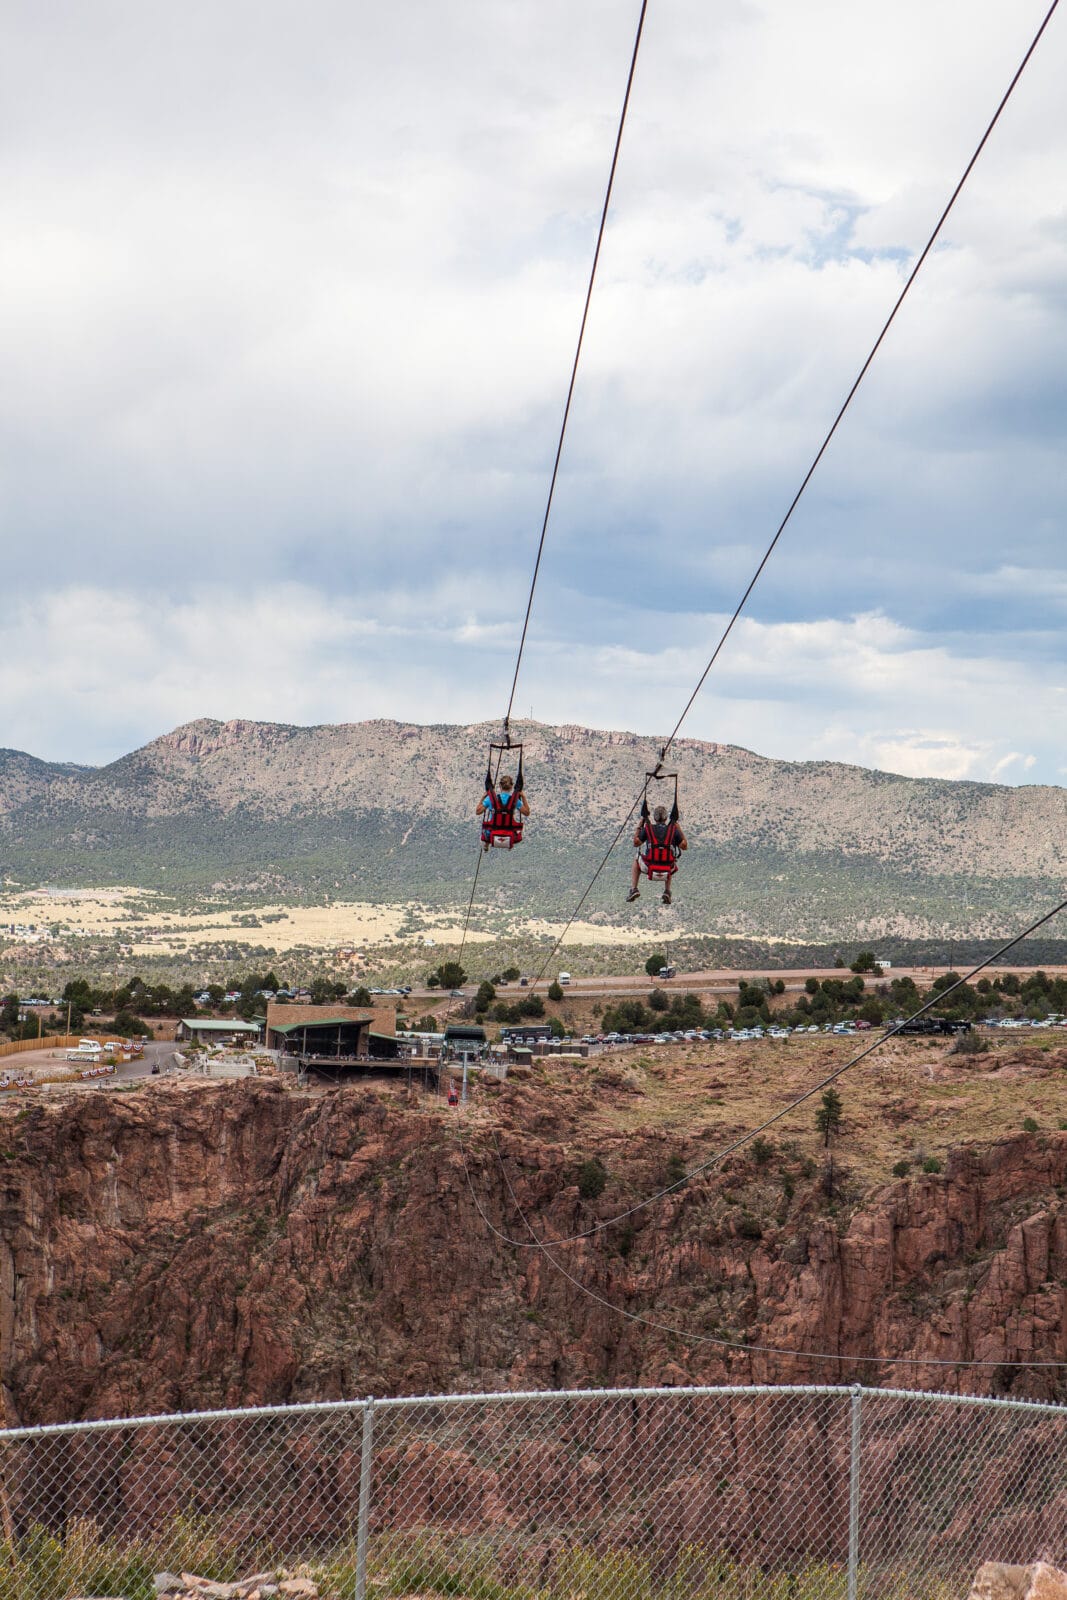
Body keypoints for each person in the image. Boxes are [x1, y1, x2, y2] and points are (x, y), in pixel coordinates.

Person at [627, 804, 687, 905]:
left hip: (649, 866)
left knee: (636, 860)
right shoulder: (673, 830)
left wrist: (639, 827)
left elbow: (636, 843)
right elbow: (684, 846)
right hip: (667, 869)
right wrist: (679, 828)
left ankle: (634, 889)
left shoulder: (648, 829)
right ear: (666, 818)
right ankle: (667, 891)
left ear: (654, 818)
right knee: (670, 860)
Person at [479, 773, 530, 850]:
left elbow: (478, 811)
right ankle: (509, 843)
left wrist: (483, 797)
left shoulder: (491, 799)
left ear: (500, 786)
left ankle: (487, 843)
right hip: (509, 831)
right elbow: (527, 813)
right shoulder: (515, 800)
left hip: (492, 831)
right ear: (511, 787)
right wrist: (523, 796)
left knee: (488, 829)